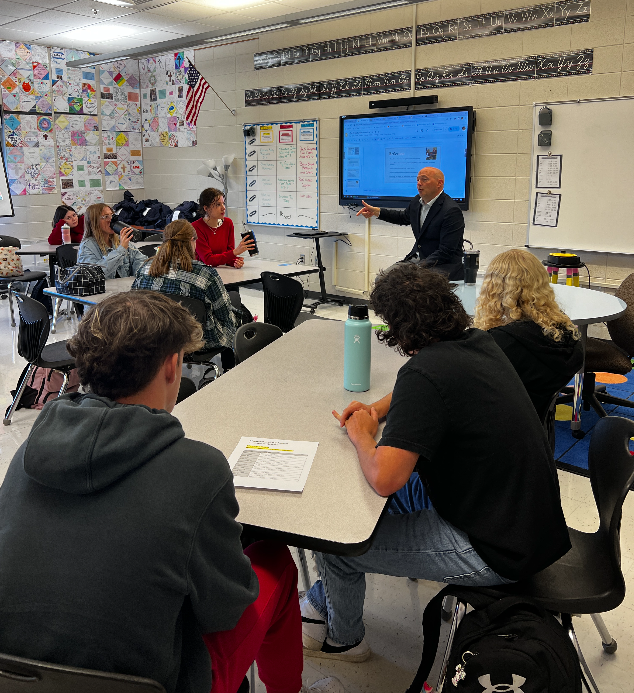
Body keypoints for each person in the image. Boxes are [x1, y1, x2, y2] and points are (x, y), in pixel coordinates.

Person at [0, 291, 342, 693]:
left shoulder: (30, 450)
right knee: (274, 563)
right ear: (172, 366)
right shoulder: (199, 469)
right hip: (154, 683)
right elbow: (225, 609)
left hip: (18, 677)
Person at [300, 263, 571, 662]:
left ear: (398, 328)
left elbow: (385, 479)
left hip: (495, 550)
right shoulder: (478, 342)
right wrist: (374, 410)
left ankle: (345, 641)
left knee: (338, 545)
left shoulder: (424, 373)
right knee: (379, 503)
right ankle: (328, 599)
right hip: (525, 523)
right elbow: (422, 388)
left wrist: (361, 433)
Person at [473, 248, 584, 421]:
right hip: (536, 426)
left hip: (500, 428)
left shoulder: (499, 344)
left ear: (493, 288)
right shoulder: (566, 333)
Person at [133, 219, 240, 372]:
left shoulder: (145, 269)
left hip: (155, 337)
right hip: (197, 340)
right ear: (192, 241)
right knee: (234, 306)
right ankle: (230, 370)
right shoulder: (205, 274)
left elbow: (135, 304)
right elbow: (224, 316)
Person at [356, 167, 465, 280]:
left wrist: (417, 267)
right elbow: (403, 217)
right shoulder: (417, 201)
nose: (419, 183)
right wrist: (377, 212)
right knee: (382, 279)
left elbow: (445, 252)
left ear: (439, 183)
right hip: (418, 259)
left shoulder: (451, 211)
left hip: (442, 265)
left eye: (424, 179)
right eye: (417, 180)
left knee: (408, 285)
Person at [77, 203, 145, 279]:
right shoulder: (87, 246)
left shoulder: (119, 241)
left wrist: (144, 273)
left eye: (112, 215)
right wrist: (121, 251)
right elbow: (93, 273)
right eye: (106, 217)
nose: (111, 220)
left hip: (123, 288)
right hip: (102, 290)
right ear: (94, 222)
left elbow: (140, 260)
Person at [193, 188, 255, 268]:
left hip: (222, 271)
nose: (223, 208)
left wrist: (234, 261)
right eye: (218, 204)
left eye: (223, 203)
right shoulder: (196, 227)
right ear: (206, 208)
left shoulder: (228, 223)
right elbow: (208, 260)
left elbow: (228, 255)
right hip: (203, 272)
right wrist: (234, 253)